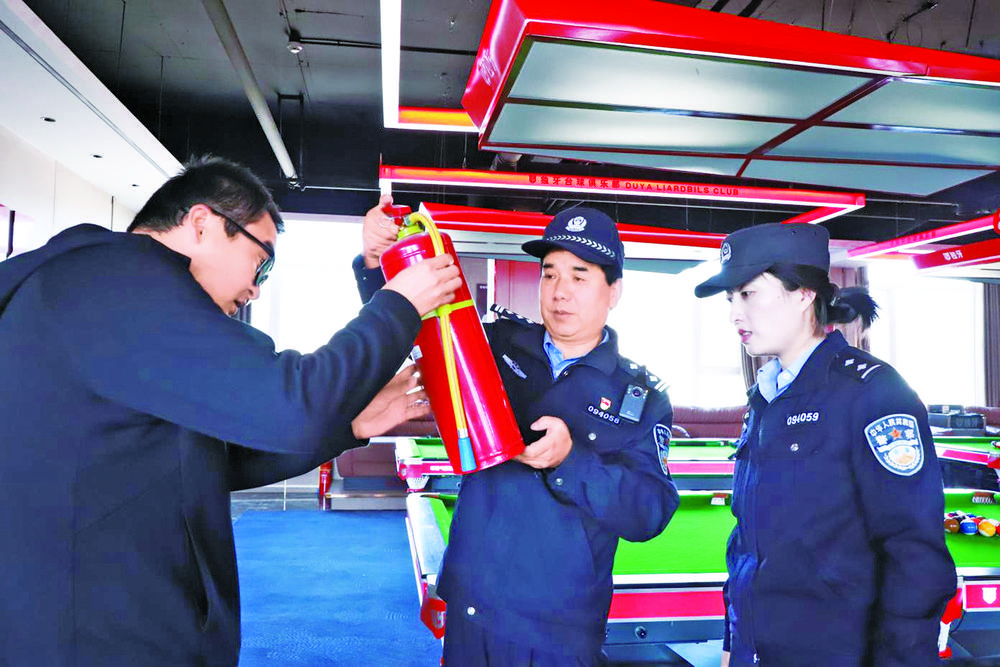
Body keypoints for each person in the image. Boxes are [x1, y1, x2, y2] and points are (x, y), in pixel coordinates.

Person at [0, 156, 462, 666]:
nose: (256, 288)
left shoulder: (109, 295)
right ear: (202, 223)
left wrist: (352, 425)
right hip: (92, 638)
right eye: (261, 261)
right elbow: (291, 402)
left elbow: (203, 460)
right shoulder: (115, 284)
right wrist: (398, 303)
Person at [355, 196, 681, 666]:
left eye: (579, 276)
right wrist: (375, 264)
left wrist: (570, 460)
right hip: (471, 609)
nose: (559, 291)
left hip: (556, 633)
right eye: (549, 274)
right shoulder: (494, 344)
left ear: (614, 291)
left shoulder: (642, 397)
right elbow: (413, 330)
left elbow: (648, 513)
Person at [693, 223, 956, 667]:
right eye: (730, 299)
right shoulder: (766, 396)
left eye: (749, 294)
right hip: (757, 652)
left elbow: (915, 553)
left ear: (803, 294)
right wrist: (732, 641)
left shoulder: (873, 392)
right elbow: (746, 543)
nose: (735, 314)